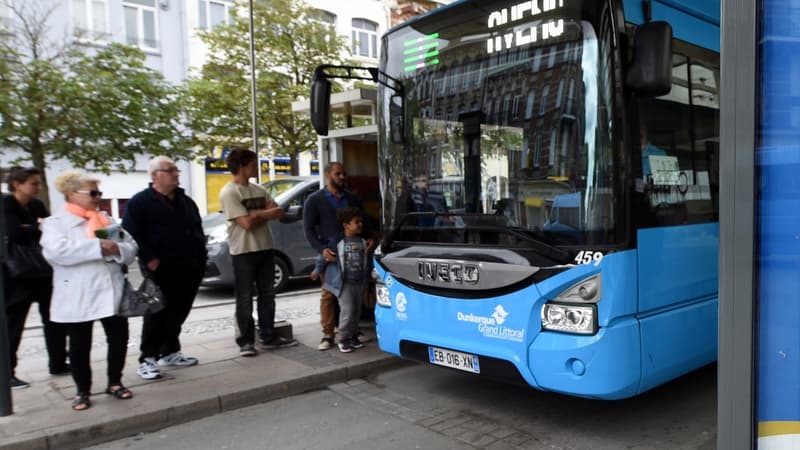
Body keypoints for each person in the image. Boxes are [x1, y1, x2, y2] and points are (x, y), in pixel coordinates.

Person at [40, 170, 137, 411]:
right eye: (92, 192)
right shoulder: (56, 224)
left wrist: (116, 250)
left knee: (118, 337)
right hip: (79, 292)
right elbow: (57, 253)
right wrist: (98, 247)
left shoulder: (106, 220)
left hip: (111, 288)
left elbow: (131, 247)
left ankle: (115, 381)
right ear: (71, 194)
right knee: (80, 343)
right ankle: (82, 390)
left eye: (99, 192)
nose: (97, 197)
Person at [122, 157, 207, 380]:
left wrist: (201, 255)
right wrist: (148, 257)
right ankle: (147, 357)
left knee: (180, 309)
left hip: (190, 265)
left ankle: (169, 351)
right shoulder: (140, 202)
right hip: (160, 267)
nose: (176, 174)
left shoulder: (185, 201)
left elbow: (197, 228)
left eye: (176, 170)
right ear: (155, 175)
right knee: (157, 310)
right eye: (170, 171)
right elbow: (131, 233)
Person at [218, 148, 297, 357]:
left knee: (268, 295)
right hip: (243, 251)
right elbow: (246, 223)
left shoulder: (258, 189)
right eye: (253, 163)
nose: (257, 167)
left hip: (265, 248)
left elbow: (278, 211)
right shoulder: (229, 192)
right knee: (244, 297)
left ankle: (268, 336)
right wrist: (263, 214)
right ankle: (245, 341)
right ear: (242, 166)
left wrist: (258, 213)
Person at [3, 167, 69, 389]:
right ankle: (7, 372)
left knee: (54, 317)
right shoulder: (6, 204)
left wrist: (33, 227)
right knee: (14, 322)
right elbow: (14, 234)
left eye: (39, 183)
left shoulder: (37, 205)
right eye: (33, 183)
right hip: (16, 273)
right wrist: (36, 227)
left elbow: (50, 229)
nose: (38, 187)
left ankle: (58, 362)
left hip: (41, 270)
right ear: (17, 184)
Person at [303, 161, 373, 351]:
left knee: (354, 296)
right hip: (331, 252)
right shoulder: (315, 200)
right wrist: (321, 249)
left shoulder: (352, 198)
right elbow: (308, 229)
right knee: (329, 293)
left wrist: (369, 238)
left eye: (344, 173)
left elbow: (364, 221)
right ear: (327, 175)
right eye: (338, 174)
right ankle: (328, 334)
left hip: (353, 251)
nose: (342, 177)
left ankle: (351, 331)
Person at [319, 207, 374, 353]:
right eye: (357, 222)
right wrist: (316, 270)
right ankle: (343, 339)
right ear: (346, 225)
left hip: (359, 281)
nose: (360, 224)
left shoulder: (363, 242)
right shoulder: (337, 242)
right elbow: (324, 256)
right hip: (344, 284)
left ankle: (353, 336)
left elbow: (366, 261)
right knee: (348, 311)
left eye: (361, 221)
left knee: (356, 311)